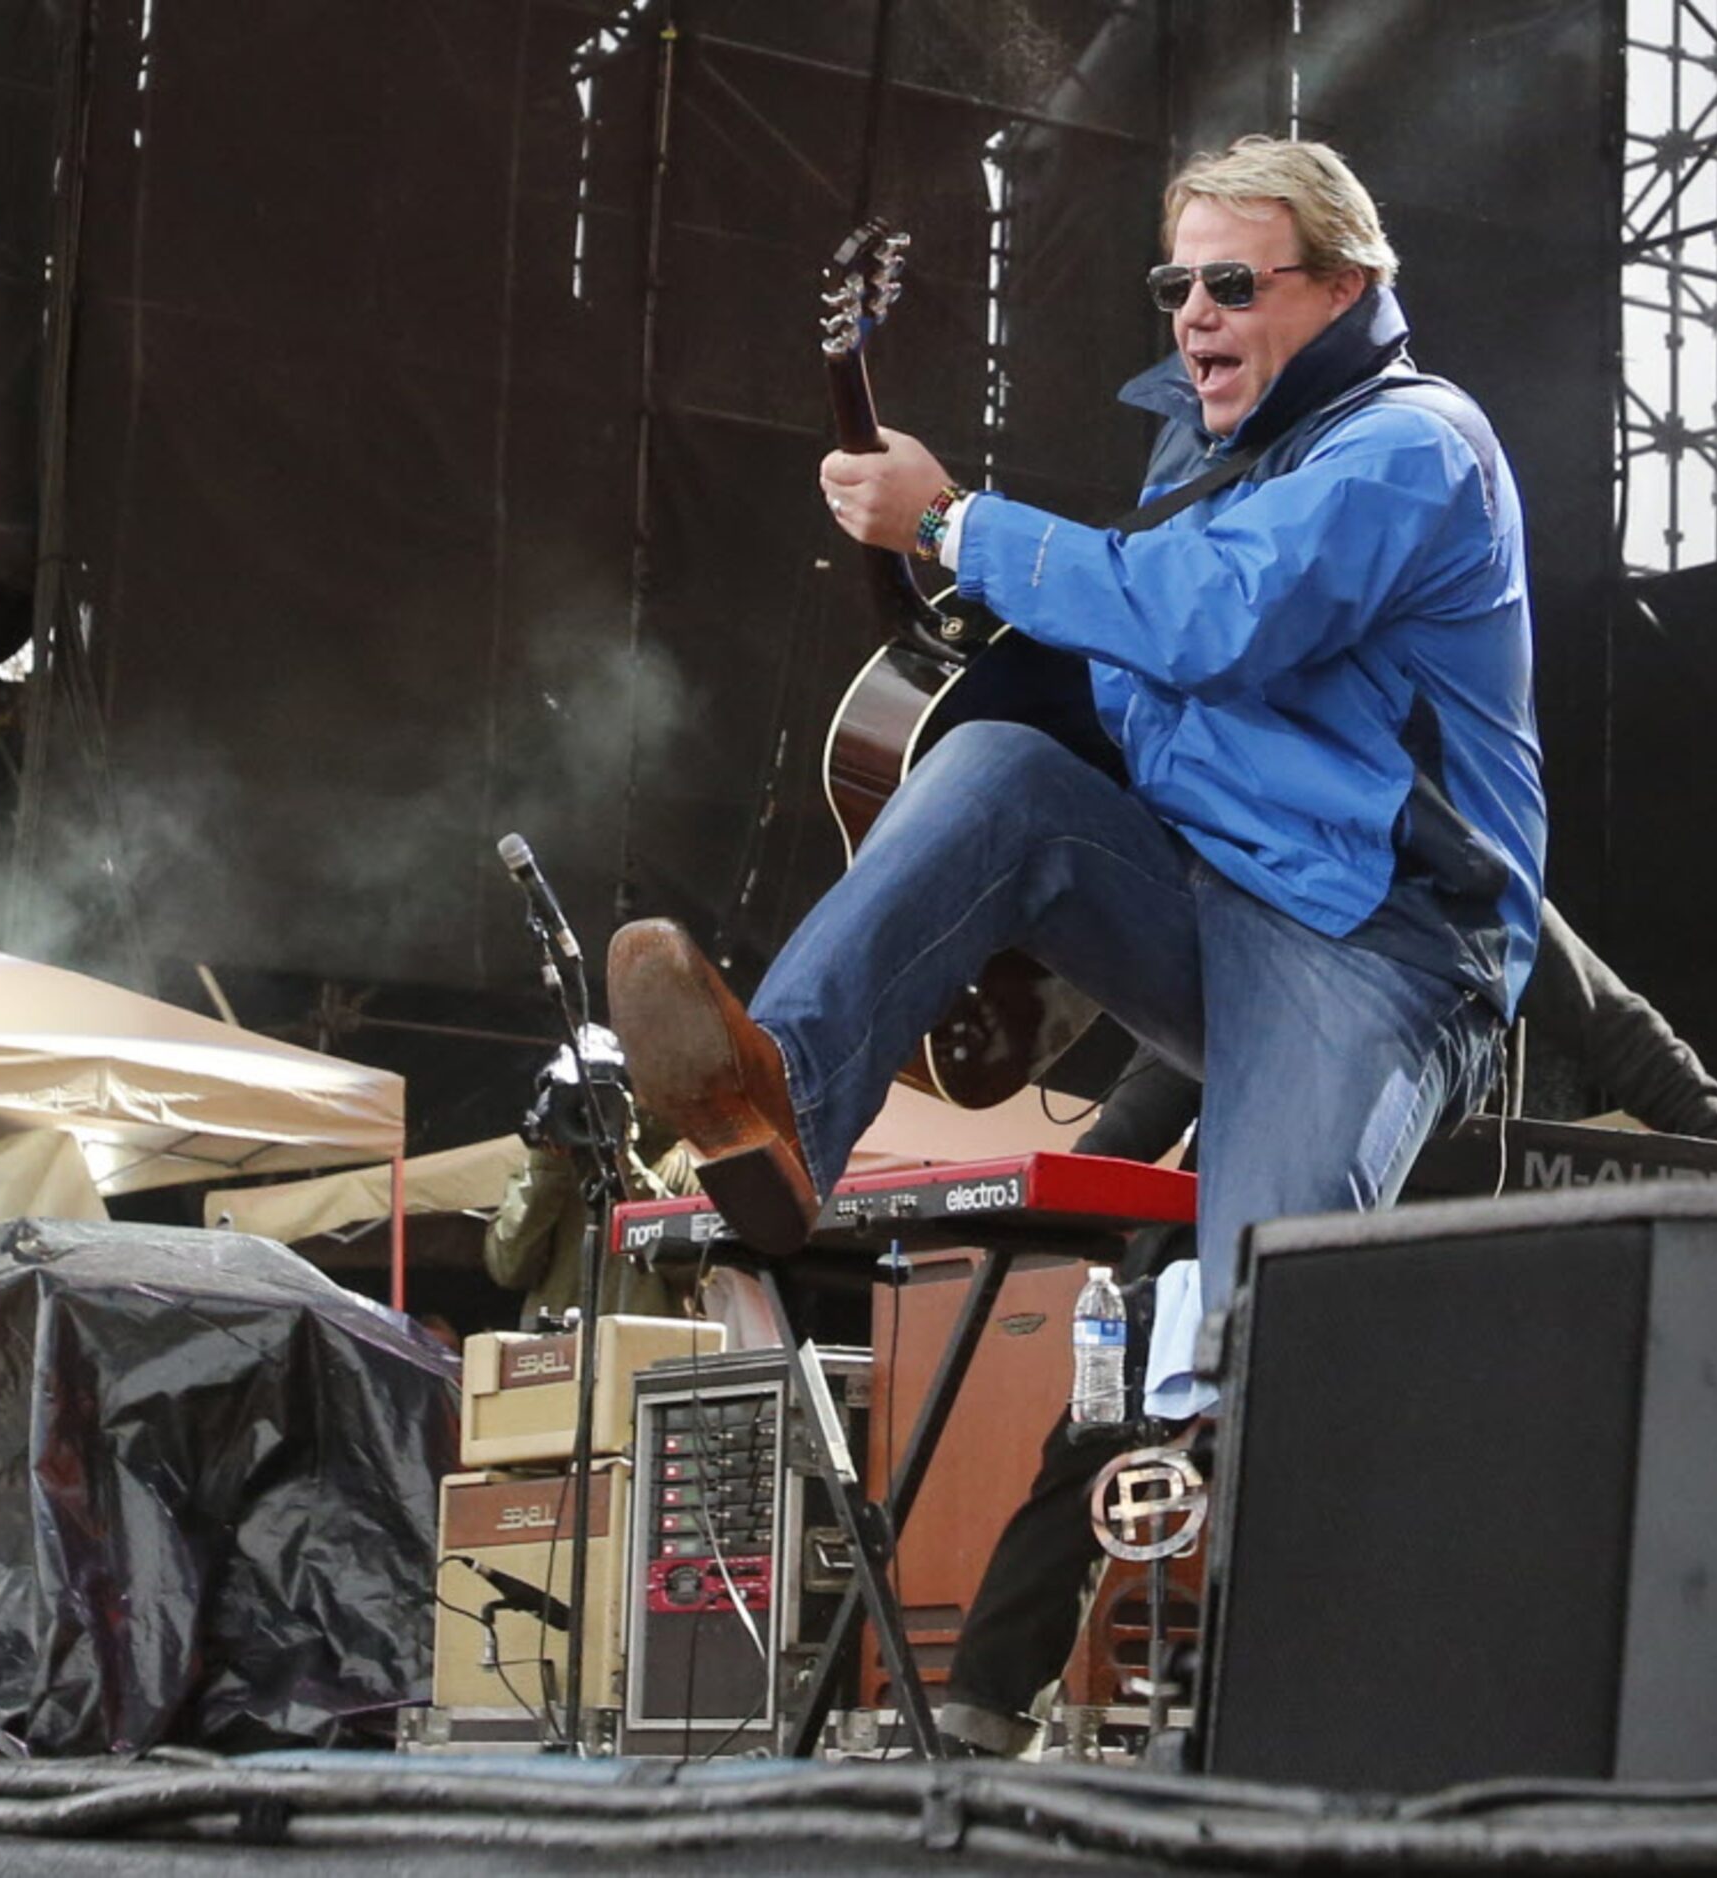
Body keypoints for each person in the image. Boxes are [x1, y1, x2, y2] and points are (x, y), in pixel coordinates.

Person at [607, 134, 1542, 1426]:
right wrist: (960, 625)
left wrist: (952, 525)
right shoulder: (1214, 461)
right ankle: (786, 1107)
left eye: (1232, 287)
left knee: (1242, 1342)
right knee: (998, 771)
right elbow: (1134, 680)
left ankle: (1218, 1547)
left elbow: (1212, 618)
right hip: (1216, 894)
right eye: (1177, 288)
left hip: (1376, 941)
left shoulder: (1414, 446)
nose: (1195, 318)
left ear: (1343, 286)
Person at [937, 901, 1717, 1756]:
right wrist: (1063, 1188)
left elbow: (1620, 1032)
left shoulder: (1479, 885)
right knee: (1094, 1445)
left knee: (1369, 1479)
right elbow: (1163, 1083)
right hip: (1220, 1232)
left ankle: (1356, 1720)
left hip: (1388, 1248)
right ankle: (984, 1722)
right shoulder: (1267, 885)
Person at [482, 1033, 700, 1325]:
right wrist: (547, 1165)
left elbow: (695, 1270)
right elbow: (509, 1268)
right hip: (561, 1356)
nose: (589, 1113)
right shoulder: (549, 1171)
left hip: (644, 1354)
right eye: (573, 1100)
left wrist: (626, 1164)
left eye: (603, 1098)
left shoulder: (677, 1165)